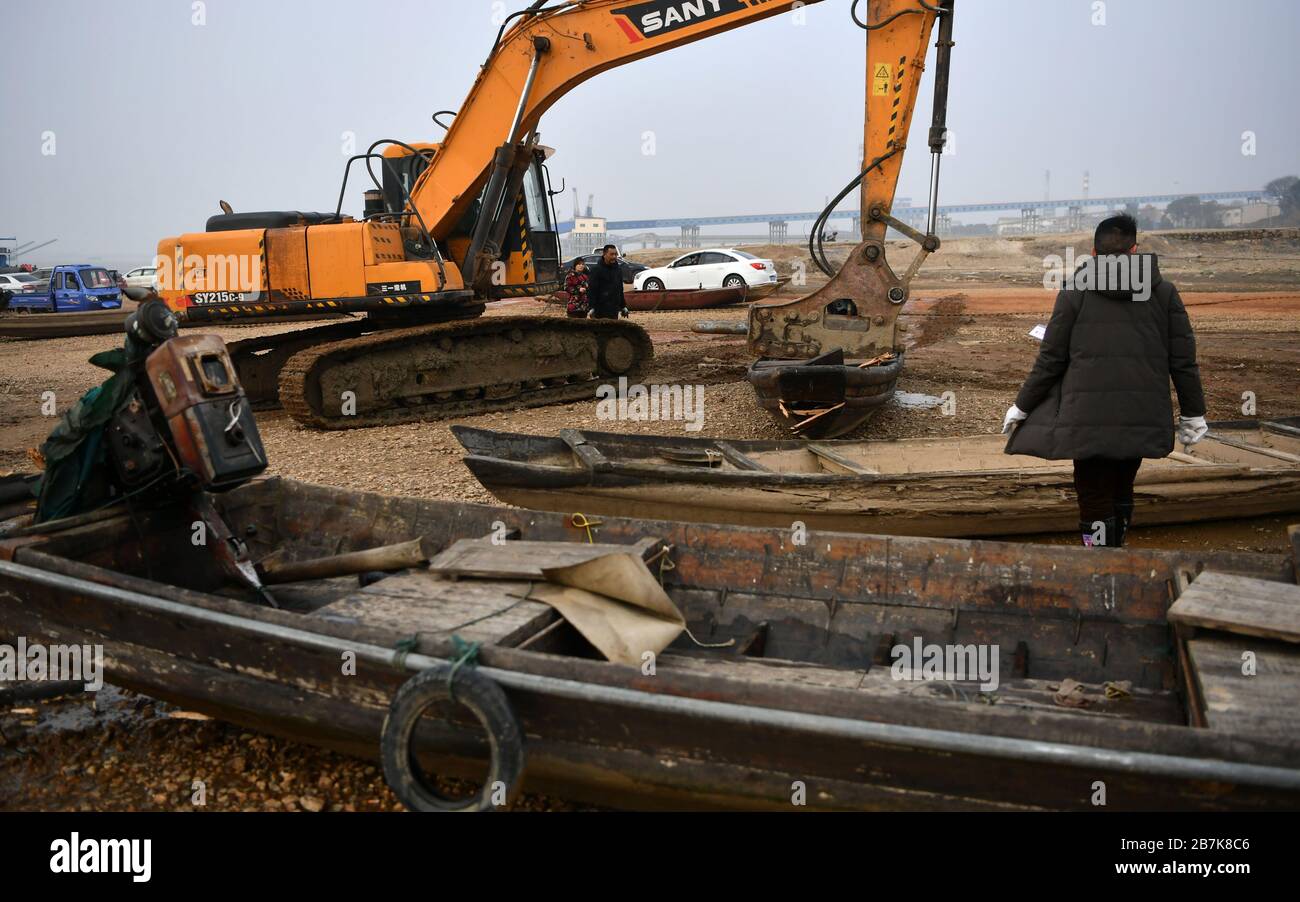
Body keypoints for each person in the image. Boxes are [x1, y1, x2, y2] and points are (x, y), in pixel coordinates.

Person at [1002, 214, 1207, 547]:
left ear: (1093, 254)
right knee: (1122, 486)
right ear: (1135, 249)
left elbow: (1051, 360)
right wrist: (1193, 413)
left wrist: (1021, 406)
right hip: (1141, 413)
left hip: (1088, 417)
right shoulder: (1164, 293)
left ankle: (1102, 564)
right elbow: (1182, 362)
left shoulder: (1073, 293)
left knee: (1093, 493)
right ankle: (1115, 551)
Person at [587, 244, 626, 320]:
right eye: (611, 254)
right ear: (604, 255)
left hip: (614, 309)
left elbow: (620, 289)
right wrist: (592, 307)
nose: (614, 257)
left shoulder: (618, 270)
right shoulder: (596, 270)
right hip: (600, 309)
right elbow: (592, 290)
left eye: (615, 254)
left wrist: (623, 306)